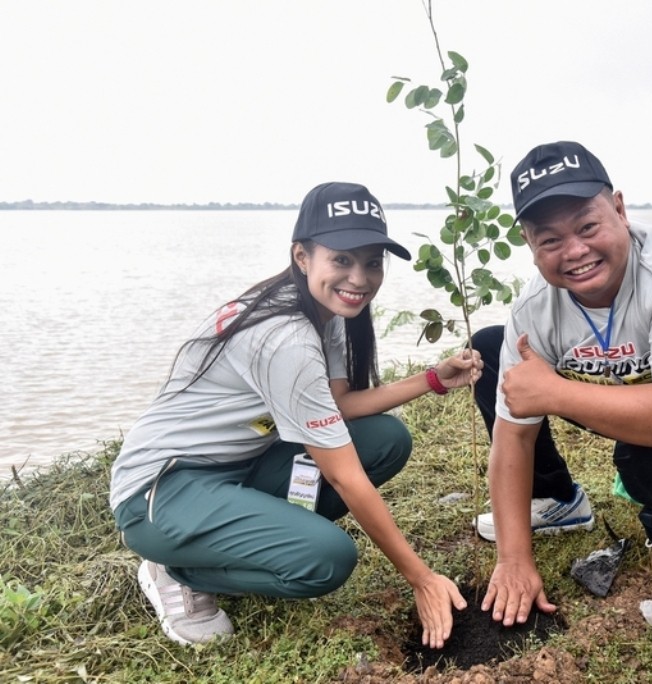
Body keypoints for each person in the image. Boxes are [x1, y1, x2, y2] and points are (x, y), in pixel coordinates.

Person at [108, 182, 482, 648]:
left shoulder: (325, 312)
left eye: (371, 261)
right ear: (302, 256)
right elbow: (344, 476)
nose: (360, 278)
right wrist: (421, 577)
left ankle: (250, 534)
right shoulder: (285, 337)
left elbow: (337, 406)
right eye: (342, 260)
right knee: (325, 560)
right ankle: (178, 572)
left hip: (238, 465)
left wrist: (432, 379)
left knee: (385, 439)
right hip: (163, 490)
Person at [469, 141, 652, 627]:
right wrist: (513, 560)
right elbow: (512, 436)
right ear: (530, 245)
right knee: (492, 350)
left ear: (620, 209)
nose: (575, 252)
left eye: (588, 226)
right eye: (549, 240)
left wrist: (556, 393)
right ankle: (558, 501)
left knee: (647, 454)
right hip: (616, 391)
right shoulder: (534, 308)